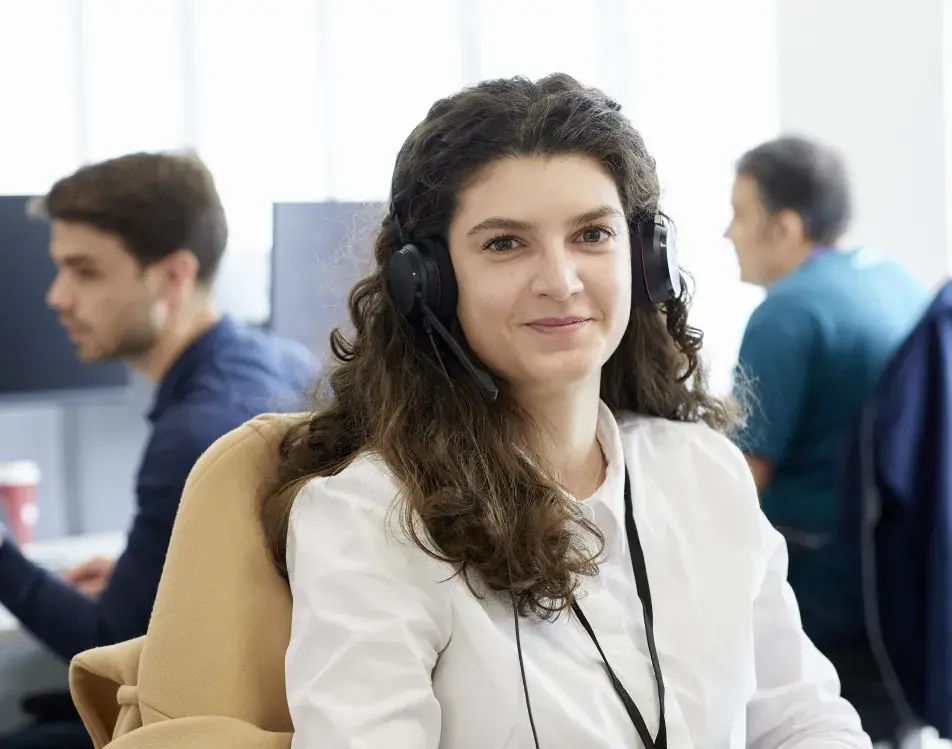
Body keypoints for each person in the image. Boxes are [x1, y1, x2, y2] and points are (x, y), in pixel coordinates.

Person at [259, 75, 871, 748]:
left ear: (644, 260)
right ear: (426, 283)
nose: (560, 279)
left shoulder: (702, 472)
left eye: (591, 234)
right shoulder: (372, 519)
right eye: (504, 243)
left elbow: (802, 718)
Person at [0, 152, 317, 748]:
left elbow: (105, 638)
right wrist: (139, 573)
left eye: (84, 271)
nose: (57, 297)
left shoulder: (193, 435)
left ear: (172, 276)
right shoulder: (280, 361)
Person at [725, 135, 929, 741]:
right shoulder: (891, 277)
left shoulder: (785, 315)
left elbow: (738, 481)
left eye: (740, 216)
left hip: (823, 586)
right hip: (898, 576)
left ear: (785, 227)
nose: (726, 234)